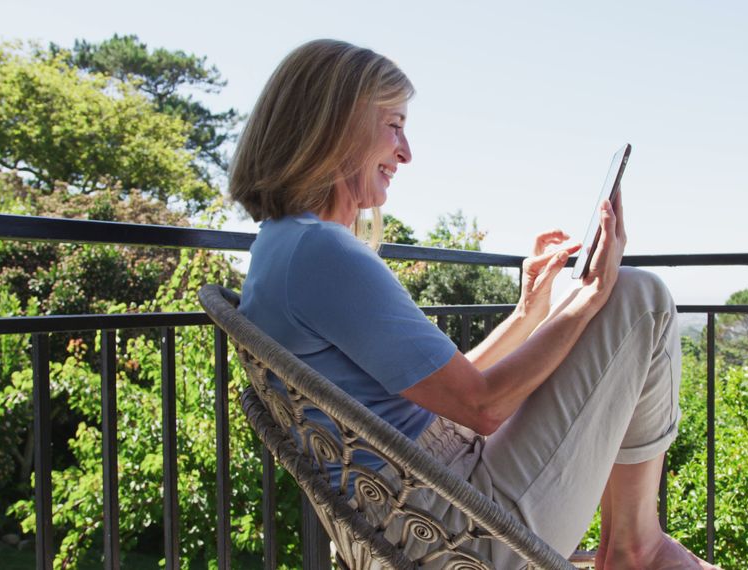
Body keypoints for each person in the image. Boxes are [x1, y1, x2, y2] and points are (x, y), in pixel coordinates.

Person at [230, 39, 717, 570]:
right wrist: (590, 295)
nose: (406, 152)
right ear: (334, 125)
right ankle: (635, 548)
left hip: (414, 514)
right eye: (394, 125)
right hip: (461, 533)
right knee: (637, 299)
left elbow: (448, 393)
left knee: (613, 304)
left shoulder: (284, 247)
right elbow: (481, 407)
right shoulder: (322, 253)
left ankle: (636, 543)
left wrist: (529, 312)